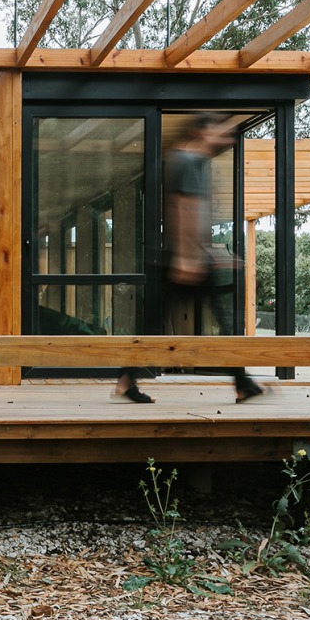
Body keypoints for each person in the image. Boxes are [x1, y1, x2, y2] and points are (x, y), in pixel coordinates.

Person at [112, 114, 265, 405]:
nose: (225, 138)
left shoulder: (189, 161)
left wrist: (207, 252)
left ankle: (126, 378)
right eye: (219, 132)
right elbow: (183, 208)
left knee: (159, 323)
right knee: (216, 320)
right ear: (200, 133)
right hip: (185, 259)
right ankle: (242, 383)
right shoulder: (187, 161)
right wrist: (187, 255)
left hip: (189, 256)